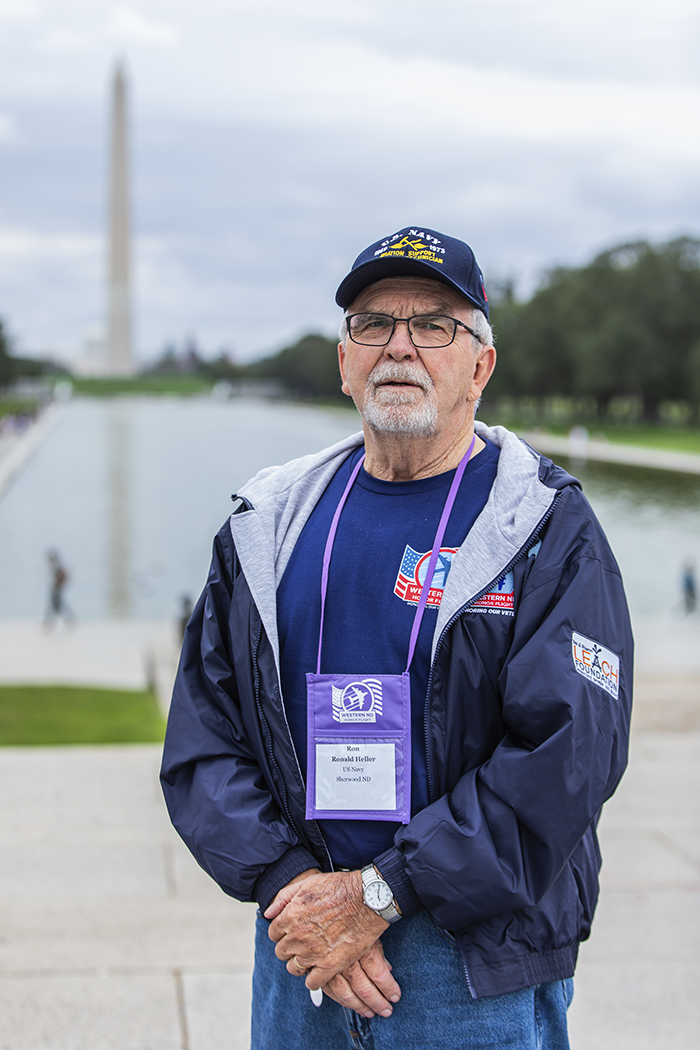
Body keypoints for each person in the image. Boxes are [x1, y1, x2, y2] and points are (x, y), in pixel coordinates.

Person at [161, 226, 633, 1049]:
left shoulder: (548, 529)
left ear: (480, 367)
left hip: (470, 962)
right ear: (345, 362)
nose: (400, 347)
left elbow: (569, 755)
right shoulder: (266, 526)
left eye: (435, 325)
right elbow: (205, 735)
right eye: (373, 323)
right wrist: (296, 885)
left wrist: (382, 893)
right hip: (302, 948)